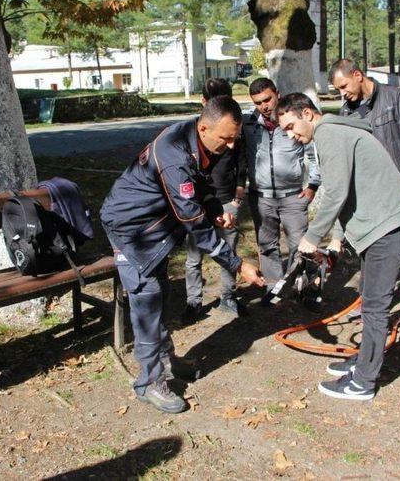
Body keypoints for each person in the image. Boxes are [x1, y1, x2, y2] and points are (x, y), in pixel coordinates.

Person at [101, 96, 264, 414]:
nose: (231, 146)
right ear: (204, 127)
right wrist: (236, 263)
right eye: (226, 138)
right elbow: (194, 222)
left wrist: (216, 208)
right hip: (131, 229)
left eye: (235, 138)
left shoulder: (196, 139)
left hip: (157, 229)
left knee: (161, 292)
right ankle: (149, 382)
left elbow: (201, 183)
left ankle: (166, 360)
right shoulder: (174, 154)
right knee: (147, 299)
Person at [276, 93, 400, 401]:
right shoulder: (339, 130)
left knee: (374, 308)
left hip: (390, 229)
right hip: (382, 227)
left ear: (307, 113)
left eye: (291, 126)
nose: (291, 135)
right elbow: (349, 190)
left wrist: (312, 237)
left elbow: (336, 194)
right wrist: (338, 238)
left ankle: (363, 382)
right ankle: (365, 359)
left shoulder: (328, 133)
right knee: (369, 300)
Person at [329, 59, 400, 338]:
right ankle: (369, 306)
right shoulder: (346, 111)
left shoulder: (393, 98)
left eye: (344, 86)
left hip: (399, 191)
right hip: (369, 196)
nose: (342, 94)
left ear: (358, 75)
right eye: (338, 90)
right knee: (369, 251)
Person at [243, 78, 321, 304]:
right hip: (261, 198)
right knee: (267, 246)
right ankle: (274, 289)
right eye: (258, 102)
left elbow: (312, 153)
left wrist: (313, 186)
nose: (264, 106)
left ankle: (306, 289)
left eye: (267, 99)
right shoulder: (249, 125)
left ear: (277, 94)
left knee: (302, 246)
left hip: (292, 197)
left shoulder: (291, 122)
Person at [183, 78, 247, 321]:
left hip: (227, 199)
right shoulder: (193, 136)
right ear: (204, 103)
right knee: (193, 257)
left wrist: (238, 195)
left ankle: (228, 297)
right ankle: (193, 302)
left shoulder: (233, 131)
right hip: (198, 204)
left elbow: (242, 162)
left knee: (228, 252)